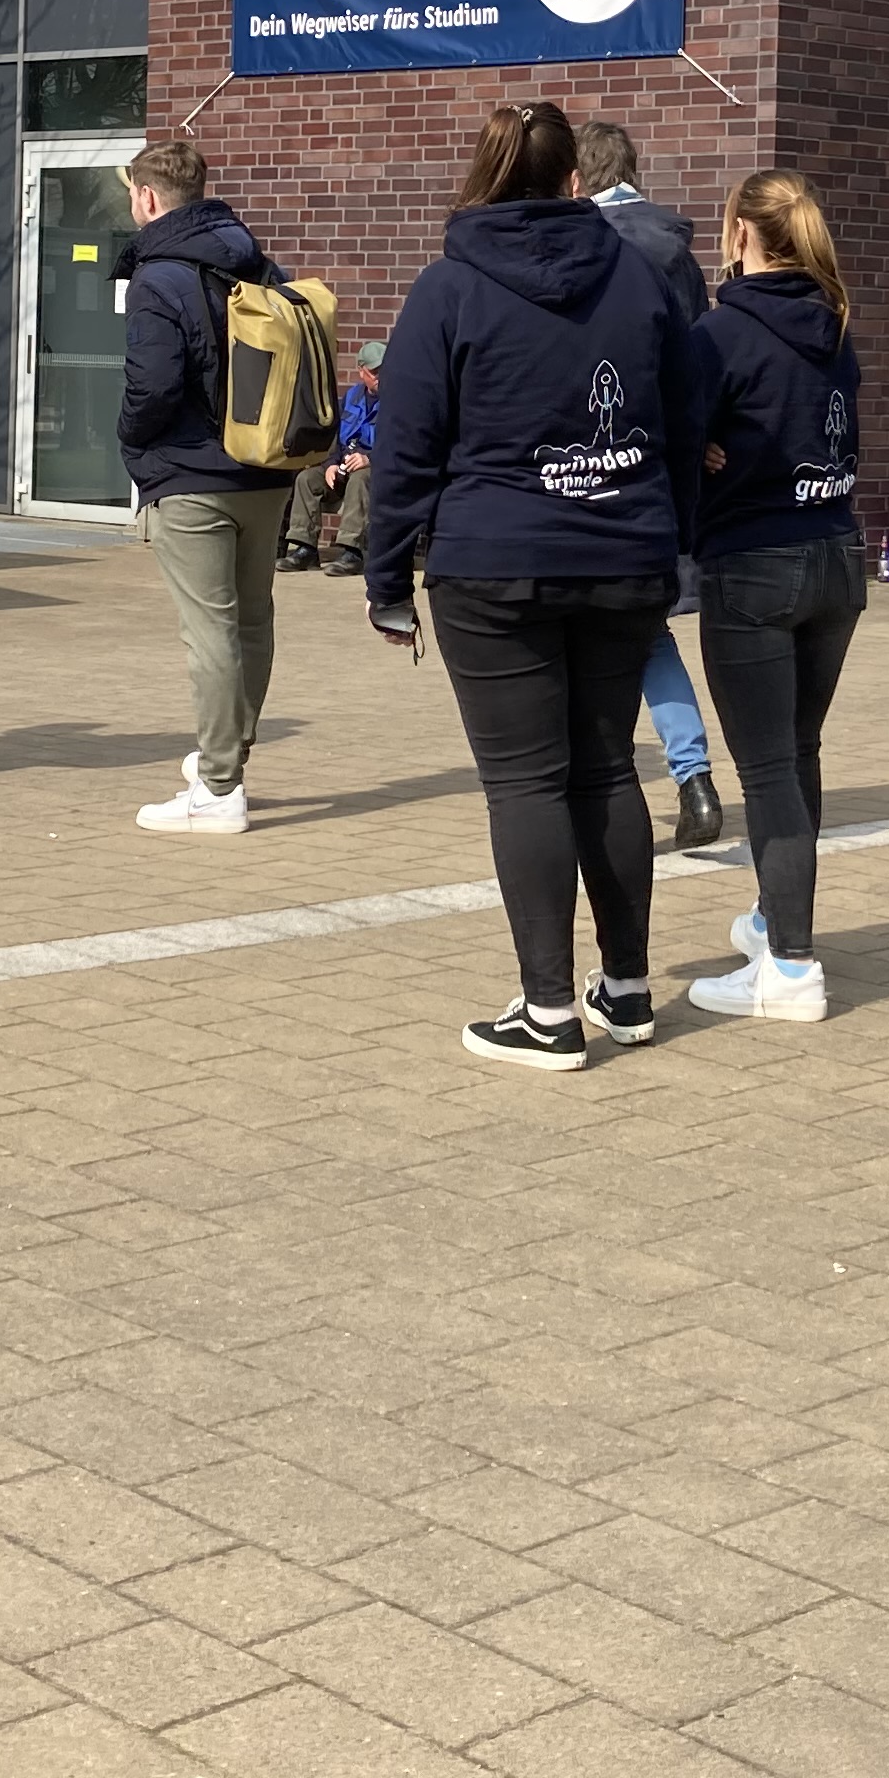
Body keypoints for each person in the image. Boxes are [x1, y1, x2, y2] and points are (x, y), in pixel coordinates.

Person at [367, 100, 698, 1067]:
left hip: (494, 563)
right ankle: (628, 991)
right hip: (623, 554)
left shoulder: (449, 288)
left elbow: (406, 449)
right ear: (571, 183)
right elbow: (684, 418)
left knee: (525, 783)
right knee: (605, 769)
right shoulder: (640, 279)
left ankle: (548, 1009)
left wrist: (386, 578)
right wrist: (670, 541)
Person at [681, 172, 866, 1025]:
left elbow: (672, 436)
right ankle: (774, 922)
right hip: (836, 552)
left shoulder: (721, 333)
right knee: (798, 754)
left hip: (754, 559)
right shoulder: (835, 328)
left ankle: (790, 967)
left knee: (767, 771)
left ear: (739, 233)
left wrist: (707, 454)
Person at [115, 137, 299, 834]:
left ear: (148, 198)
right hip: (264, 466)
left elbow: (153, 385)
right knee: (253, 619)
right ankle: (229, 755)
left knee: (211, 631)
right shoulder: (256, 261)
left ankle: (220, 790)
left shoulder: (158, 278)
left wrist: (133, 441)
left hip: (191, 473)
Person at [578, 121, 724, 850]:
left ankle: (595, 784)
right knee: (647, 629)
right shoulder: (679, 252)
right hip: (664, 467)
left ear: (578, 179)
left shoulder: (590, 246)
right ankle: (693, 776)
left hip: (592, 465)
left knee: (595, 629)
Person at [284, 342, 381, 575]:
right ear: (361, 370)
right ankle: (304, 548)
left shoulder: (399, 402)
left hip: (377, 472)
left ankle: (352, 552)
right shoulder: (351, 397)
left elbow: (402, 442)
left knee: (361, 478)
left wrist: (370, 458)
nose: (381, 377)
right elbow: (335, 437)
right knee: (307, 478)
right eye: (375, 372)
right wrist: (330, 464)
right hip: (343, 466)